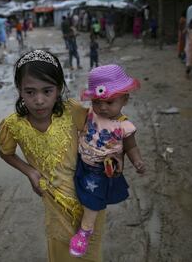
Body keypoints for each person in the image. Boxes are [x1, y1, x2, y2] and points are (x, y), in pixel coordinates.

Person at [0, 49, 105, 261]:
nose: (39, 100)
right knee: (61, 252)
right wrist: (29, 171)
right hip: (55, 205)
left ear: (59, 89)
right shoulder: (13, 125)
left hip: (90, 202)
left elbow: (99, 132)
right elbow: (6, 153)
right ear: (19, 90)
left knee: (91, 252)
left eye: (47, 91)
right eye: (30, 92)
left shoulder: (71, 111)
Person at [69, 64, 145, 257]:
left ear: (125, 99)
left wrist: (137, 161)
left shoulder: (124, 126)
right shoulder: (91, 113)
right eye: (97, 101)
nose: (102, 107)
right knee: (78, 192)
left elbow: (131, 147)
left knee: (93, 201)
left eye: (109, 103)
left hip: (100, 170)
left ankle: (85, 231)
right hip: (81, 161)